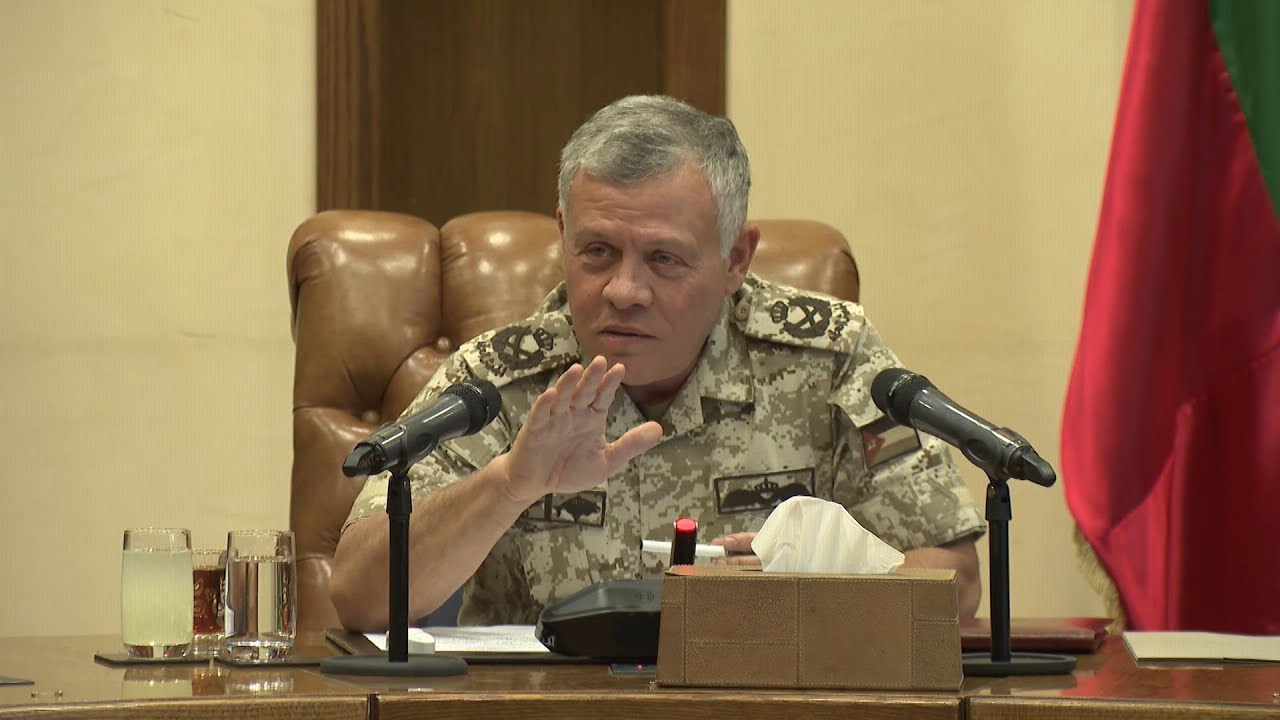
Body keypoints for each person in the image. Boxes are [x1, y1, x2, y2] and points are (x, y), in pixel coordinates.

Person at [331, 95, 985, 630]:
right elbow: (359, 597)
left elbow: (953, 583)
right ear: (562, 236)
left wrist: (806, 590)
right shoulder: (498, 382)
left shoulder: (829, 359)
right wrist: (506, 486)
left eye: (663, 259)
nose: (624, 291)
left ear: (735, 258)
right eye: (597, 252)